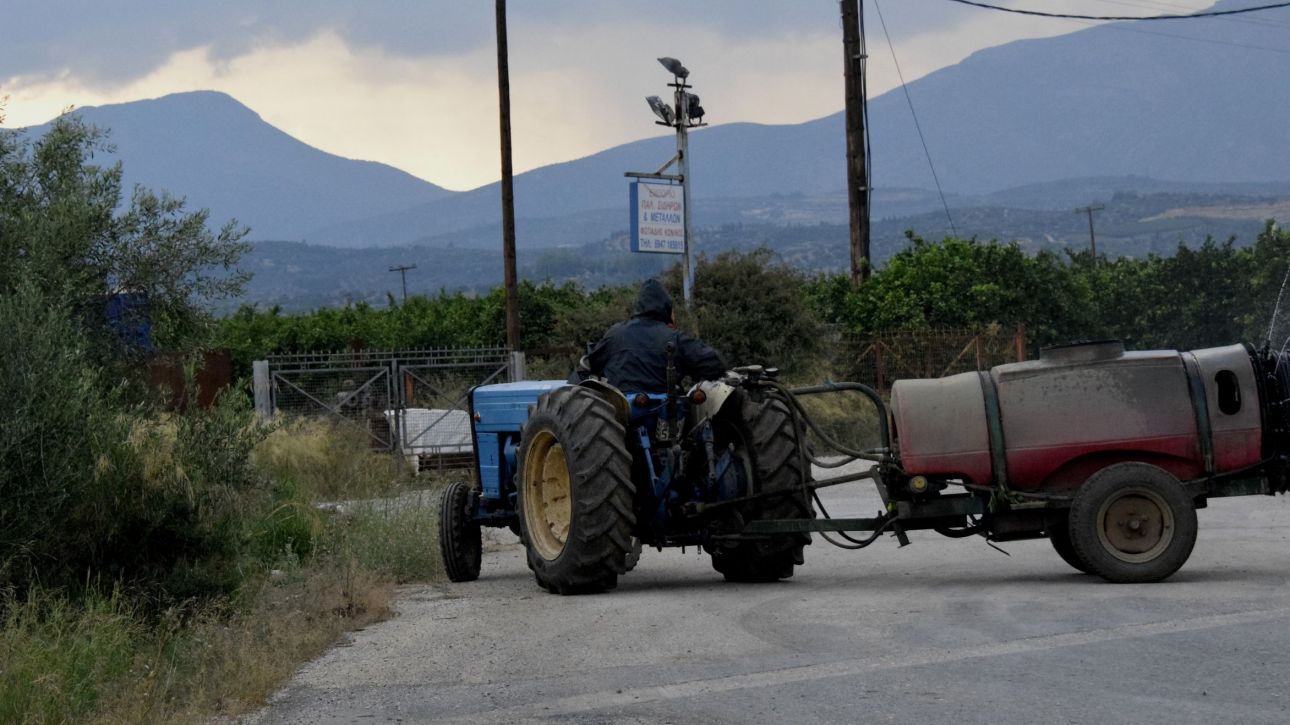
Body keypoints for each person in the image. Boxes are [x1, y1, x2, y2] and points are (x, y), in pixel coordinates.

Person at [573, 279, 728, 393]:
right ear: (667, 309)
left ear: (638, 307)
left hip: (619, 415)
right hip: (667, 415)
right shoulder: (675, 338)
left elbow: (590, 364)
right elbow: (715, 365)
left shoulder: (615, 334)